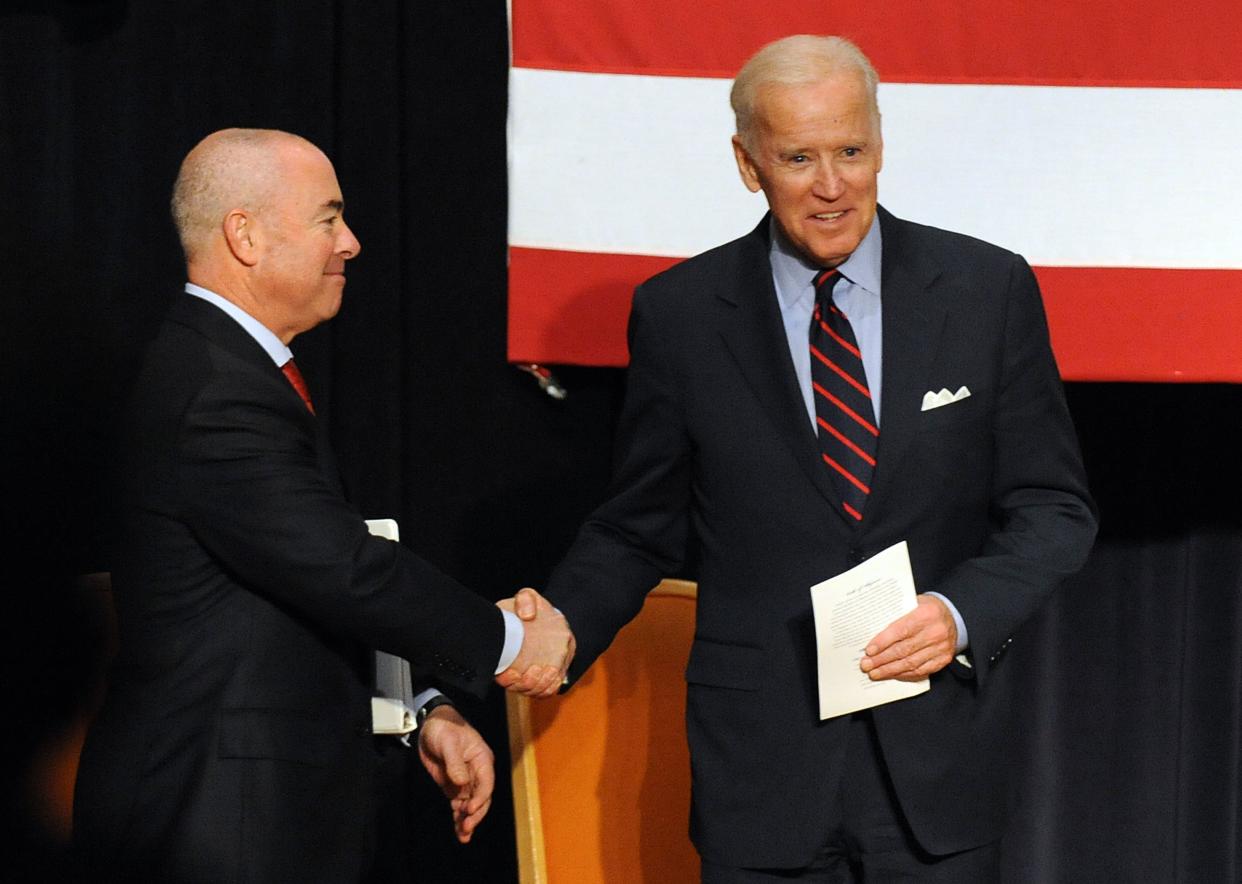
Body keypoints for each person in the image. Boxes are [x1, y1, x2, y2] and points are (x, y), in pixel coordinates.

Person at [506, 35, 1097, 881]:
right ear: (749, 164)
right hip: (762, 773)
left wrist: (958, 614)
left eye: (851, 151)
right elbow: (639, 528)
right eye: (798, 158)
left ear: (881, 143)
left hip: (934, 769)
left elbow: (1053, 507)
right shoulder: (679, 316)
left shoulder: (986, 290)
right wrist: (561, 623)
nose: (831, 186)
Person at [72, 128, 573, 883]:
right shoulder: (217, 391)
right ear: (244, 235)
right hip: (214, 823)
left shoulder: (237, 372)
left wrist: (423, 707)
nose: (353, 242)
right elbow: (347, 571)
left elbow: (301, 587)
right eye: (328, 218)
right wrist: (509, 643)